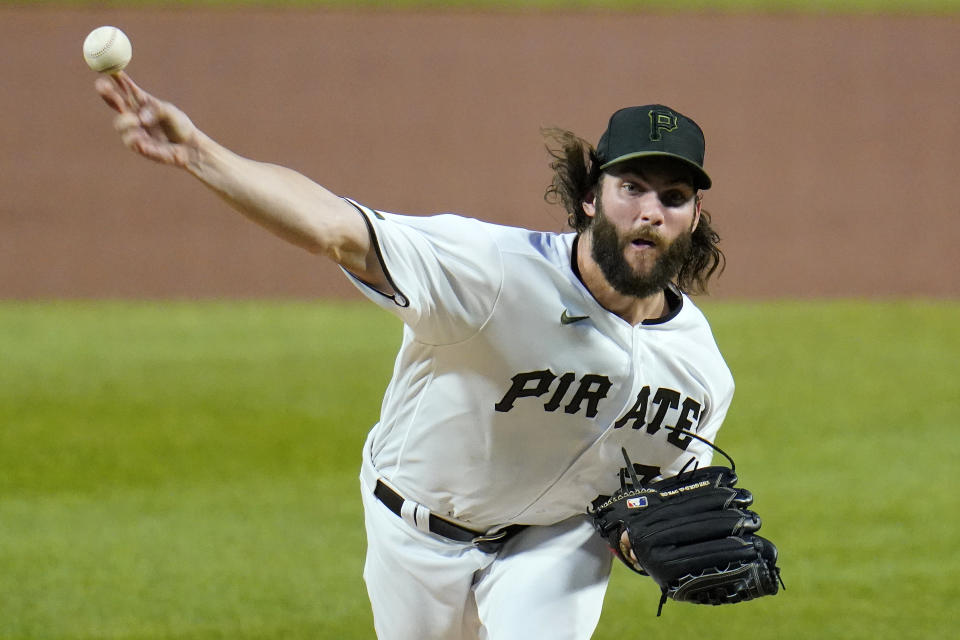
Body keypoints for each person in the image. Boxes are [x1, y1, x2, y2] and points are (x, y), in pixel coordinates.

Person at [95, 73, 733, 640]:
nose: (650, 212)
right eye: (632, 188)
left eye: (673, 197)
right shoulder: (492, 272)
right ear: (593, 195)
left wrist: (636, 535)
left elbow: (662, 497)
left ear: (695, 214)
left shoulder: (700, 373)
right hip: (416, 526)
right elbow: (335, 228)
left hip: (555, 543)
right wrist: (200, 155)